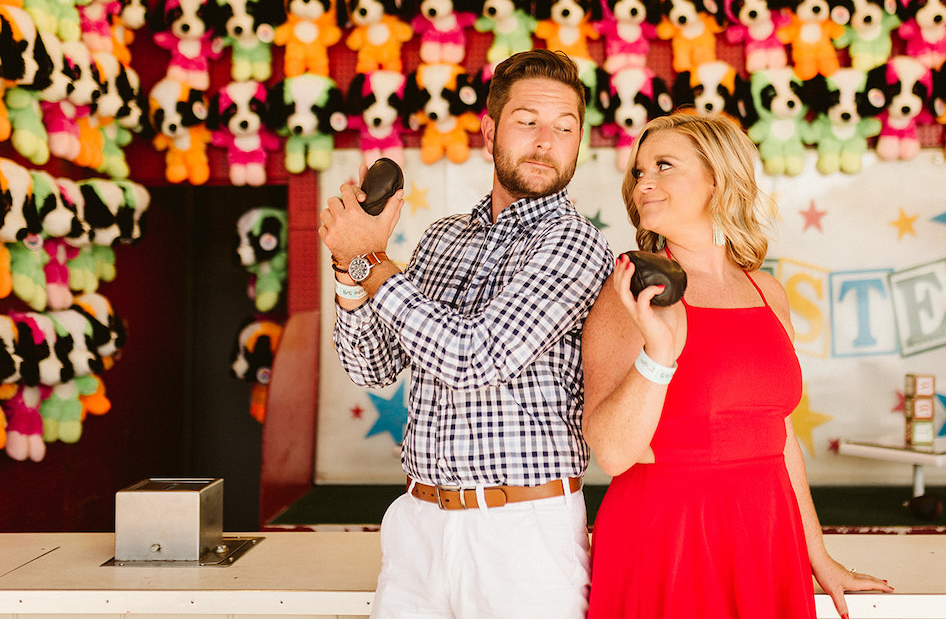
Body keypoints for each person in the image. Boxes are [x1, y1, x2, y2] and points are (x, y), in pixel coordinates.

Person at [319, 48, 614, 619]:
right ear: (490, 132)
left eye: (565, 126)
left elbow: (472, 357)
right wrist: (348, 272)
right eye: (528, 122)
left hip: (524, 533)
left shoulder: (575, 243)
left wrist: (373, 262)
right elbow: (373, 368)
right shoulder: (442, 237)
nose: (546, 141)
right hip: (418, 525)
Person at [582, 113, 892, 619]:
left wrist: (819, 557)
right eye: (639, 171)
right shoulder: (632, 292)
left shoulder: (767, 291)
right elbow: (614, 454)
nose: (644, 182)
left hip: (768, 530)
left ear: (717, 179)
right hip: (668, 536)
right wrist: (658, 353)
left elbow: (780, 434)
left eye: (663, 165)